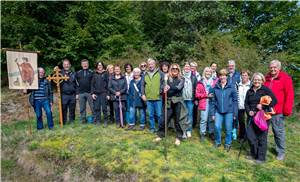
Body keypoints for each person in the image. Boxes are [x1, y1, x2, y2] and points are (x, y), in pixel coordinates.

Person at [264, 60, 294, 161]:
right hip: (266, 110)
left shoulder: (285, 78)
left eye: (275, 67)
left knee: (278, 131)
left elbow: (289, 95)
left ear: (279, 68)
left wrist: (287, 110)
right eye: (271, 67)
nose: (272, 69)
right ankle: (262, 148)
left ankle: (281, 151)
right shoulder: (266, 78)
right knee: (263, 130)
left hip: (277, 111)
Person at [245, 73, 277, 164]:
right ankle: (253, 154)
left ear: (262, 80)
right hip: (251, 117)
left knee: (261, 137)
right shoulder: (249, 91)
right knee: (251, 136)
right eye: (255, 79)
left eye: (259, 79)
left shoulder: (265, 90)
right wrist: (248, 111)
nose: (256, 81)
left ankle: (261, 158)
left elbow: (274, 101)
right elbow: (246, 103)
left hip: (263, 117)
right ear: (252, 80)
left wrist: (262, 106)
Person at [155, 63, 185, 145]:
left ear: (178, 70)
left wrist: (169, 87)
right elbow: (162, 87)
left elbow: (179, 88)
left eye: (176, 69)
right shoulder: (166, 78)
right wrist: (163, 89)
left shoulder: (182, 79)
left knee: (178, 120)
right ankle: (161, 134)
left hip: (177, 102)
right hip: (168, 101)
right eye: (173, 69)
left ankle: (179, 136)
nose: (175, 70)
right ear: (170, 70)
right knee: (164, 118)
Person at [210, 69, 238, 151]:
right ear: (219, 77)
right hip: (218, 111)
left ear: (227, 76)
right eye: (221, 75)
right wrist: (212, 113)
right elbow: (213, 101)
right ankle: (218, 142)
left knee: (228, 128)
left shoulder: (231, 86)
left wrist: (235, 113)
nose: (223, 77)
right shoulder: (216, 87)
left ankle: (227, 143)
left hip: (229, 111)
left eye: (224, 75)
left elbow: (235, 101)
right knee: (217, 127)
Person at [196, 67, 217, 141]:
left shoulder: (215, 81)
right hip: (204, 101)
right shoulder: (200, 82)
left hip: (212, 102)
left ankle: (211, 133)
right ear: (204, 72)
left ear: (211, 73)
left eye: (209, 72)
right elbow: (197, 94)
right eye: (206, 71)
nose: (208, 73)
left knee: (211, 119)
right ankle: (202, 133)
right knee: (204, 119)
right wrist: (206, 95)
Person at [144, 58, 163, 133]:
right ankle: (152, 128)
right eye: (149, 64)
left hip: (158, 97)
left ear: (155, 64)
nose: (150, 65)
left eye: (152, 64)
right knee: (150, 115)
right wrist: (143, 94)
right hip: (148, 98)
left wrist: (160, 91)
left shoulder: (160, 73)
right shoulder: (145, 74)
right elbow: (142, 85)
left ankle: (160, 128)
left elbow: (163, 83)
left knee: (159, 114)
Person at [76, 59, 94, 123]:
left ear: (88, 64)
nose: (85, 65)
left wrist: (92, 93)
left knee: (93, 107)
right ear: (81, 65)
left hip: (90, 93)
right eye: (83, 64)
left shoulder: (92, 72)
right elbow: (76, 84)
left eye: (86, 63)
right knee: (82, 108)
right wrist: (77, 93)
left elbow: (93, 83)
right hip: (81, 93)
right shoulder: (78, 73)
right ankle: (83, 119)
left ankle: (95, 119)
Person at [91, 61, 109, 127]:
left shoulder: (106, 73)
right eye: (98, 65)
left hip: (104, 93)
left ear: (103, 66)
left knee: (104, 108)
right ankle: (98, 121)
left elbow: (108, 84)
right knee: (97, 108)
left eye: (101, 65)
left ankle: (105, 121)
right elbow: (92, 84)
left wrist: (108, 94)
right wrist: (92, 93)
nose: (99, 66)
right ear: (97, 66)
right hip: (96, 94)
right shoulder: (94, 73)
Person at [182, 62, 197, 138]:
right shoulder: (181, 76)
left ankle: (188, 130)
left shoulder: (194, 77)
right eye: (186, 67)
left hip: (190, 99)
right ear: (184, 68)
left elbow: (196, 89)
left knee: (190, 115)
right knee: (182, 115)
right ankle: (183, 131)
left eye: (188, 67)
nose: (187, 68)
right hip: (182, 99)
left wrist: (195, 99)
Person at [60, 59, 77, 125]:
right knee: (64, 108)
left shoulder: (73, 73)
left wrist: (77, 93)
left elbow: (77, 84)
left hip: (72, 94)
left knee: (72, 109)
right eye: (65, 64)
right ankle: (64, 121)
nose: (66, 65)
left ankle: (72, 121)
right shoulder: (60, 73)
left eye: (67, 64)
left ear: (70, 65)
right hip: (64, 95)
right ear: (63, 65)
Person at [237, 70, 251, 140]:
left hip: (248, 107)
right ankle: (242, 136)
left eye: (245, 75)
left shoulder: (251, 85)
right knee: (241, 122)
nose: (244, 77)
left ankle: (249, 136)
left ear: (248, 76)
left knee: (249, 123)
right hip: (240, 107)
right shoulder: (238, 85)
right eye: (242, 75)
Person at [190, 61, 201, 129]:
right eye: (191, 67)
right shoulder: (186, 74)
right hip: (188, 95)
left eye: (194, 67)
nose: (192, 68)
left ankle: (193, 124)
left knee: (194, 110)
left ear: (196, 67)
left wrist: (197, 98)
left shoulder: (198, 75)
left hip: (195, 96)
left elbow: (199, 87)